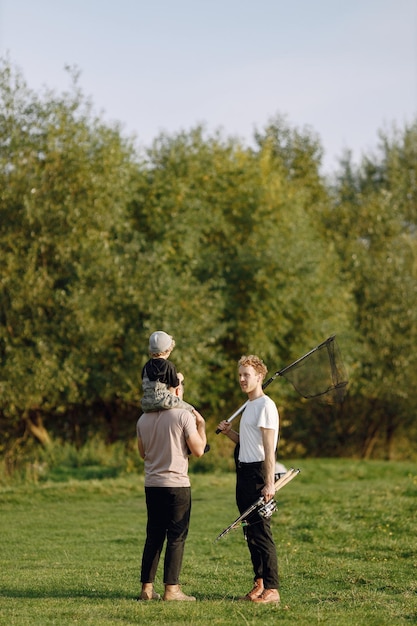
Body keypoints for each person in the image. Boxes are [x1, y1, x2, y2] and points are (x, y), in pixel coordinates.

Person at [217, 354, 280, 604]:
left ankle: (273, 590)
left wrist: (269, 483)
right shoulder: (249, 406)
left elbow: (268, 449)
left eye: (247, 375)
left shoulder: (266, 406)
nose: (242, 379)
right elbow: (248, 443)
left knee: (262, 533)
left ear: (260, 376)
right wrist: (229, 432)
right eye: (240, 375)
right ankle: (260, 583)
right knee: (249, 532)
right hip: (242, 473)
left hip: (258, 475)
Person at [136, 376, 207, 601]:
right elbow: (198, 450)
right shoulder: (183, 415)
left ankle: (147, 589)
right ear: (175, 391)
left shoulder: (143, 419)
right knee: (176, 536)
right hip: (177, 485)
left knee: (154, 536)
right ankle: (172, 590)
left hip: (152, 485)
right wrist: (202, 426)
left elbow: (142, 453)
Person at [141, 330, 195, 413]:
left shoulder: (146, 366)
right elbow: (175, 384)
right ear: (168, 350)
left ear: (151, 351)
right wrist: (179, 377)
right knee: (191, 411)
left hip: (146, 404)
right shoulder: (168, 365)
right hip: (163, 401)